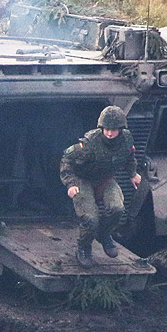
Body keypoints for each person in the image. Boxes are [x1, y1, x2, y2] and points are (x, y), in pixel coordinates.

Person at [60, 105, 142, 268]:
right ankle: (84, 247)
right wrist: (71, 184)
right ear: (101, 127)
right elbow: (66, 159)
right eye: (106, 129)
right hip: (83, 180)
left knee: (117, 209)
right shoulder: (90, 143)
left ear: (121, 129)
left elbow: (129, 156)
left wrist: (132, 173)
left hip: (105, 179)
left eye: (114, 129)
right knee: (90, 218)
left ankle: (104, 235)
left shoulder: (126, 139)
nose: (110, 133)